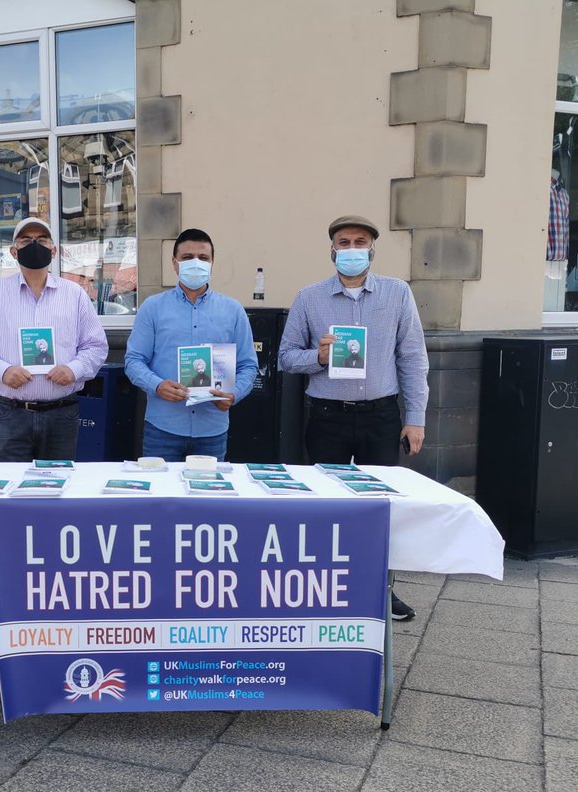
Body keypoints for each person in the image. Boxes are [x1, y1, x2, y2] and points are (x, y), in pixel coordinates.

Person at [279, 214, 429, 622]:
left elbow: (413, 358)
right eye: (343, 242)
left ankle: (382, 590)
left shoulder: (397, 294)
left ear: (372, 249)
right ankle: (325, 587)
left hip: (380, 414)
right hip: (327, 415)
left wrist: (415, 418)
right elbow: (286, 357)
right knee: (326, 505)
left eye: (359, 242)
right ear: (332, 250)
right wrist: (319, 357)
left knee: (379, 506)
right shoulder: (310, 298)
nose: (350, 249)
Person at [0, 216, 108, 626]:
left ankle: (49, 587)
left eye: (41, 239)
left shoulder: (76, 296)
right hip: (11, 416)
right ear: (12, 251)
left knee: (54, 505)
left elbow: (95, 346)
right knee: (2, 504)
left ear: (55, 250)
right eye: (25, 240)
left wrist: (76, 368)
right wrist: (2, 369)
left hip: (61, 416)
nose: (33, 245)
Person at [124, 228, 257, 462]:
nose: (196, 263)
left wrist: (233, 395)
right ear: (174, 264)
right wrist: (157, 385)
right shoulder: (152, 308)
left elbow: (248, 365)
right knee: (161, 497)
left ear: (212, 263)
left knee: (207, 497)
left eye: (203, 258)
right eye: (187, 258)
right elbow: (134, 361)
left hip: (212, 430)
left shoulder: (233, 310)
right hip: (162, 428)